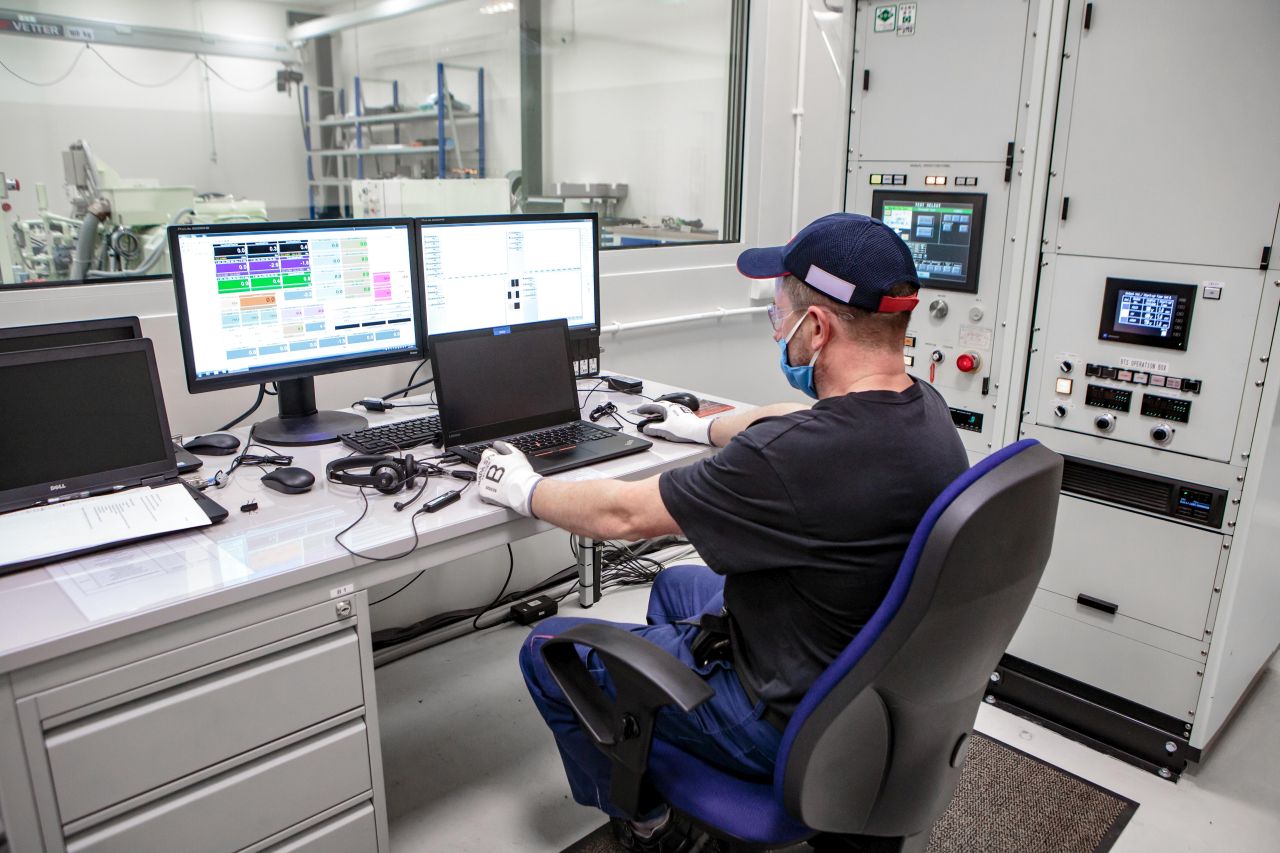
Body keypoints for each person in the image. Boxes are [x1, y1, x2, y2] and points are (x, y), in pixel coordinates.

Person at [477, 213, 970, 852]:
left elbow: (622, 516)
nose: (776, 328)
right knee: (675, 585)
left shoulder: (792, 459)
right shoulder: (923, 408)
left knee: (546, 649)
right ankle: (663, 730)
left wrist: (522, 487)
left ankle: (649, 825)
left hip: (784, 720)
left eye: (777, 314)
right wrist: (700, 426)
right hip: (856, 678)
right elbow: (791, 417)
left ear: (816, 328)